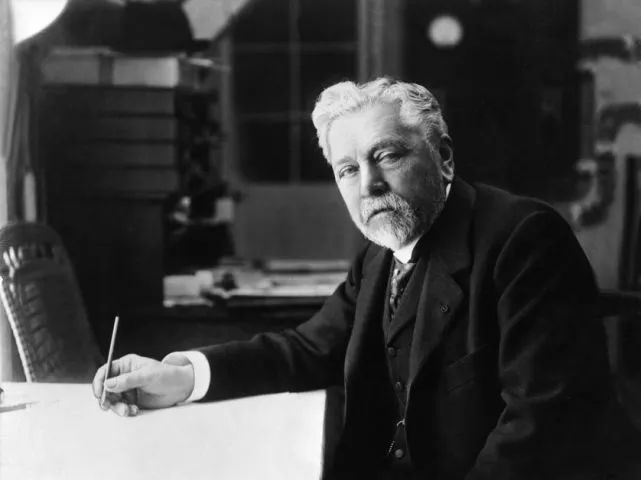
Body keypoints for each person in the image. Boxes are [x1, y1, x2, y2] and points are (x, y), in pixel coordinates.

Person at [93, 78, 617, 479]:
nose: (369, 184)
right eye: (347, 169)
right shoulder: (380, 255)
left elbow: (541, 422)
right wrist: (183, 376)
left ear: (444, 157)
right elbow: (308, 348)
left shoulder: (523, 238)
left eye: (386, 155)